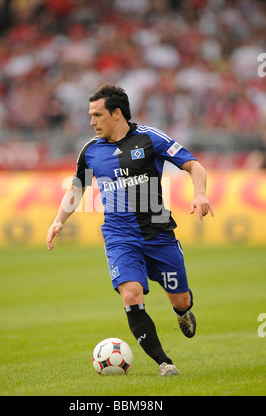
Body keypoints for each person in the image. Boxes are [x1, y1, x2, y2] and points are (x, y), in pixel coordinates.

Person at [47, 83, 214, 376]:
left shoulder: (151, 138)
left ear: (117, 113)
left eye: (97, 115)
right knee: (131, 295)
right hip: (119, 236)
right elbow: (77, 187)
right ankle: (165, 363)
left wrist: (199, 193)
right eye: (90, 115)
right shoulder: (90, 151)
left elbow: (193, 166)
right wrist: (59, 220)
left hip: (158, 234)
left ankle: (182, 313)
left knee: (181, 299)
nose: (91, 122)